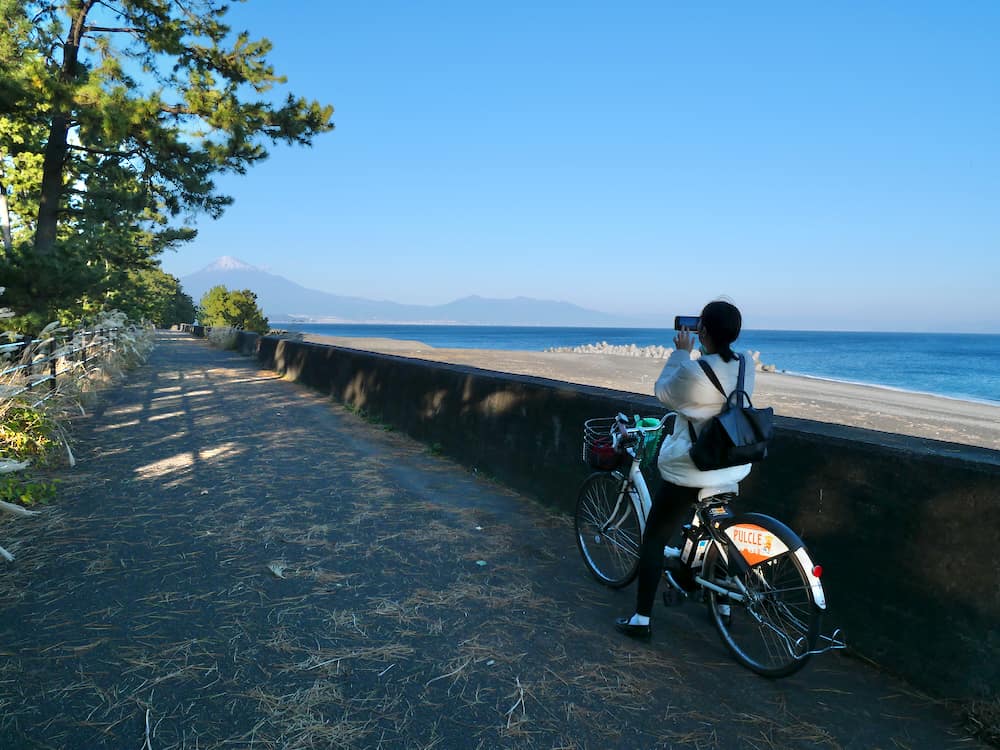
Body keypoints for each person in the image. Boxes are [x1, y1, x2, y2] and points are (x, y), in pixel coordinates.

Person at [615, 299, 757, 639]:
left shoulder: (694, 371)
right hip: (732, 464)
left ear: (701, 330)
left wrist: (681, 352)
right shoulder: (745, 363)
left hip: (694, 469)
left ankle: (641, 619)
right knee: (716, 537)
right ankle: (722, 605)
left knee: (653, 539)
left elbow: (664, 393)